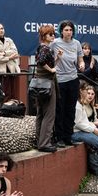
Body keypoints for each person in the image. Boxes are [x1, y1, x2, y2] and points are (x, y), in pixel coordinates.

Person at [50, 20, 85, 147]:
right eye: (66, 30)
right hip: (60, 80)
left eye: (70, 30)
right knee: (60, 109)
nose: (69, 32)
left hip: (73, 79)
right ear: (61, 31)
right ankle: (59, 137)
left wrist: (81, 65)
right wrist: (57, 58)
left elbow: (80, 59)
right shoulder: (55, 43)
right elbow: (48, 61)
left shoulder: (76, 43)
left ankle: (68, 136)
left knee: (71, 109)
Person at [34, 25, 60, 153]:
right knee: (49, 114)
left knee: (41, 113)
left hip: (40, 84)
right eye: (50, 34)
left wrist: (57, 60)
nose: (53, 36)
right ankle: (44, 143)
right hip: (47, 84)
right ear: (44, 36)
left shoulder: (41, 47)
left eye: (53, 34)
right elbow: (41, 61)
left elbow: (43, 61)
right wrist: (52, 69)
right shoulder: (46, 48)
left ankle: (39, 140)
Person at [0, 23, 20, 101]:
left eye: (2, 28)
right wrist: (9, 58)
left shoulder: (9, 40)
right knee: (4, 93)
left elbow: (15, 52)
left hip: (12, 70)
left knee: (13, 93)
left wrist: (4, 53)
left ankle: (12, 109)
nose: (1, 30)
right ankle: (3, 110)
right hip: (1, 72)